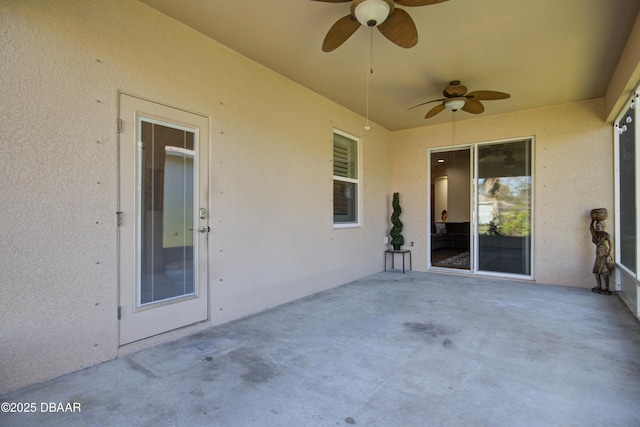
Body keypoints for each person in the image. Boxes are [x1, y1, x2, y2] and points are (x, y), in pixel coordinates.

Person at [590, 219, 614, 295]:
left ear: (603, 226)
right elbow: (591, 228)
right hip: (598, 255)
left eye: (599, 226)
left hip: (604, 255)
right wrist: (592, 220)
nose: (597, 227)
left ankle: (606, 288)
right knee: (596, 272)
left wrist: (609, 254)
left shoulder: (605, 235)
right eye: (596, 226)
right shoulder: (596, 235)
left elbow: (611, 245)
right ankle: (599, 286)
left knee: (605, 272)